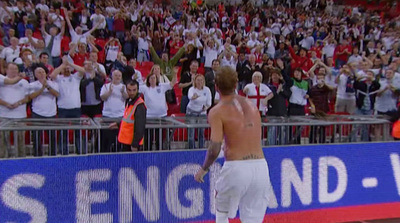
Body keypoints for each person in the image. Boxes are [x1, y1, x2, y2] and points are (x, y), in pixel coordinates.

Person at [194, 66, 270, 223]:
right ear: (236, 84)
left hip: (237, 167)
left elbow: (215, 147)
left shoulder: (217, 111)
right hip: (261, 167)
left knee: (222, 212)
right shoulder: (251, 105)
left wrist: (204, 168)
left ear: (215, 86)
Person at [109, 80, 146, 152]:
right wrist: (118, 124)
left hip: (132, 144)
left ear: (138, 90)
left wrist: (135, 144)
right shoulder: (130, 101)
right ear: (126, 90)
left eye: (134, 90)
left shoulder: (139, 105)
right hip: (126, 141)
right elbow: (128, 118)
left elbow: (140, 126)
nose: (132, 92)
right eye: (129, 90)